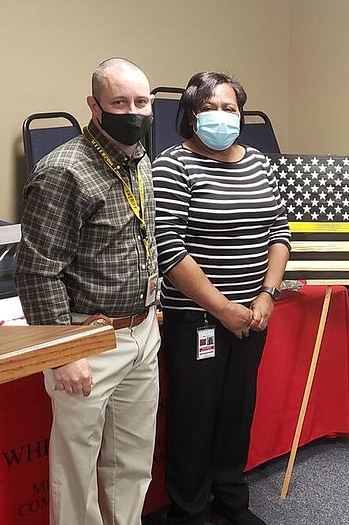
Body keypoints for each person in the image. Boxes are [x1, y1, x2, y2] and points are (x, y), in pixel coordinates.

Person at [14, 57, 160, 525]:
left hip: (141, 333)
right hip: (87, 339)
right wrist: (65, 352)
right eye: (120, 102)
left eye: (141, 101)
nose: (133, 111)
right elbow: (37, 272)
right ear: (94, 106)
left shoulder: (138, 159)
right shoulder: (64, 170)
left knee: (132, 463)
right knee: (77, 470)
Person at [153, 71, 291, 525]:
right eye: (208, 107)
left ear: (241, 113)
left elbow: (279, 231)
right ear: (190, 114)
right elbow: (169, 248)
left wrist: (267, 295)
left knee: (237, 410)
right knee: (194, 417)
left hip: (253, 313)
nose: (220, 116)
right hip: (198, 317)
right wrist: (223, 309)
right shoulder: (172, 165)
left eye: (228, 108)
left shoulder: (258, 163)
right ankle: (189, 510)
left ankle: (231, 500)